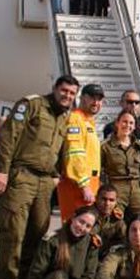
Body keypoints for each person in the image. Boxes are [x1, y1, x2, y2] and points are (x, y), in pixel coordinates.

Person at [0, 75, 78, 279]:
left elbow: (62, 150)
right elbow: (9, 137)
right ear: (55, 89)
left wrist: (58, 174)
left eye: (72, 93)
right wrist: (3, 171)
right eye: (64, 91)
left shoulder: (65, 117)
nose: (67, 96)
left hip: (44, 182)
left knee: (36, 235)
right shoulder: (31, 105)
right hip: (21, 176)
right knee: (13, 234)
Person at [57, 83, 104, 225]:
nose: (96, 102)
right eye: (92, 98)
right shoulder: (75, 119)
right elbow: (74, 153)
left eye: (99, 99)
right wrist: (84, 185)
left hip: (90, 182)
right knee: (75, 228)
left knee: (84, 230)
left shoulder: (88, 121)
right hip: (78, 184)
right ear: (82, 98)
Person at [100, 109, 140, 218]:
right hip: (116, 187)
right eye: (124, 122)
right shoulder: (105, 147)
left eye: (131, 123)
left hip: (136, 188)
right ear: (117, 123)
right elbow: (99, 170)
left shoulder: (139, 147)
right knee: (114, 219)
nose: (127, 125)